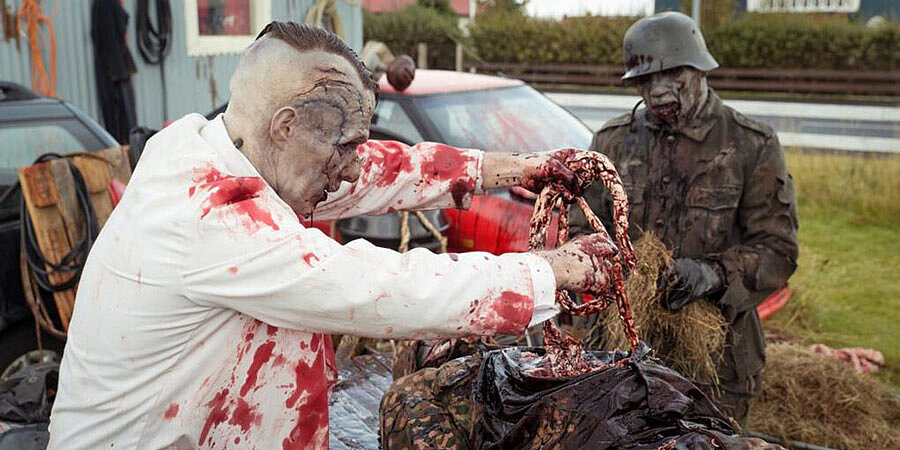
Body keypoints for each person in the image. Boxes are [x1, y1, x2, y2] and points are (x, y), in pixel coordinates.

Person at [48, 22, 614, 449]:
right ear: (286, 126)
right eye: (342, 148)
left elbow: (376, 169)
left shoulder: (218, 146)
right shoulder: (211, 217)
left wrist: (515, 168)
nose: (351, 168)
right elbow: (378, 288)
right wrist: (553, 271)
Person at [570, 12, 799, 426]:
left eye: (673, 74)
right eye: (645, 79)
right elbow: (582, 227)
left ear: (700, 70)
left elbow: (777, 250)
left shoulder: (750, 145)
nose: (658, 90)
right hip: (623, 354)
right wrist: (604, 264)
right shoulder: (612, 142)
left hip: (717, 363)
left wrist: (712, 275)